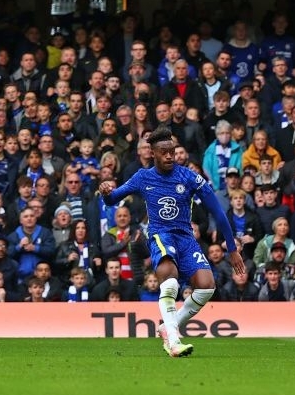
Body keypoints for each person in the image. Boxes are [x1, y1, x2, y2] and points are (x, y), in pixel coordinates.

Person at [99, 126, 245, 358]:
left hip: (186, 238)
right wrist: (106, 190)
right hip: (160, 235)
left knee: (207, 286)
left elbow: (218, 213)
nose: (170, 156)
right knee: (170, 282)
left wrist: (233, 249)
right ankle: (174, 341)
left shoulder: (189, 177)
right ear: (152, 153)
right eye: (164, 152)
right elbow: (111, 199)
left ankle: (169, 325)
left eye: (172, 151)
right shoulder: (142, 177)